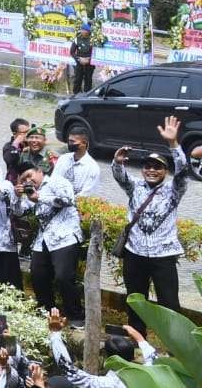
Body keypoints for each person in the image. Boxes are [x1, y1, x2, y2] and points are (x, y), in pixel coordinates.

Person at [112, 116, 190, 333]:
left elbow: (183, 171)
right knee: (136, 300)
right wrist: (117, 161)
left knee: (169, 304)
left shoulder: (174, 190)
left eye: (158, 167)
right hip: (134, 253)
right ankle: (138, 339)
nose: (152, 170)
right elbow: (119, 176)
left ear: (165, 171)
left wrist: (173, 144)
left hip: (163, 256)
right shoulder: (135, 187)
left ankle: (175, 346)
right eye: (148, 166)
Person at [13, 158, 83, 323]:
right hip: (43, 239)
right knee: (38, 275)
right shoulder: (30, 193)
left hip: (65, 236)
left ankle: (75, 316)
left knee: (63, 277)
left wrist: (40, 197)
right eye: (23, 180)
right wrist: (17, 197)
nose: (28, 181)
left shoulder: (57, 181)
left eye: (29, 176)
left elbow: (67, 199)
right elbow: (18, 212)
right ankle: (48, 311)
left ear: (39, 171)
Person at [46, 308, 156, 388]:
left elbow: (67, 369)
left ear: (107, 359)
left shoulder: (106, 384)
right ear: (133, 356)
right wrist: (139, 337)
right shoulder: (151, 370)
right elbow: (151, 355)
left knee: (58, 382)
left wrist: (55, 333)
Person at [55, 128, 100, 198]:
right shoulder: (63, 159)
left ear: (84, 143)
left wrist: (67, 201)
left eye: (72, 141)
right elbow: (53, 180)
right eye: (69, 141)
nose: (69, 144)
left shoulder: (92, 168)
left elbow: (87, 194)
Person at [69, 24, 95, 95]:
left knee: (88, 79)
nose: (82, 31)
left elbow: (96, 52)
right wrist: (79, 59)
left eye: (84, 30)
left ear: (88, 31)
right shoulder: (77, 39)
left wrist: (89, 60)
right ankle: (76, 94)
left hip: (89, 63)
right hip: (79, 62)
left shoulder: (93, 39)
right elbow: (72, 52)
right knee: (77, 79)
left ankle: (87, 94)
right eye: (81, 30)